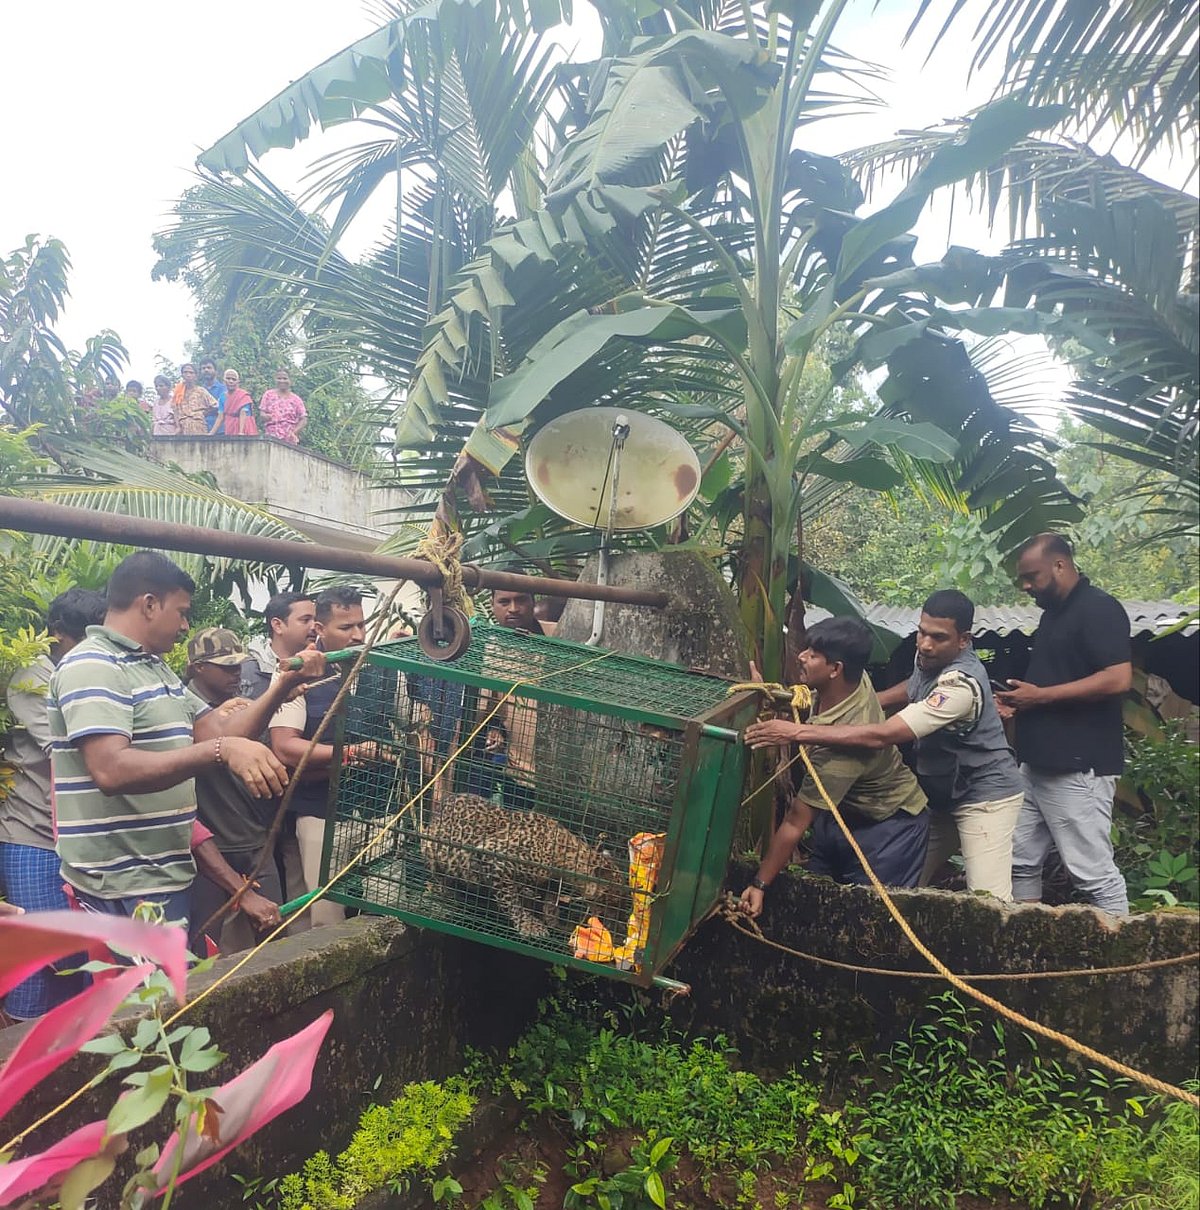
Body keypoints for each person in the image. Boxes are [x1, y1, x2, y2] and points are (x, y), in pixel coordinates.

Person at [48, 550, 324, 927]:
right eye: (180, 611)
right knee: (145, 988)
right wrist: (221, 751)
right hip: (121, 888)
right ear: (148, 605)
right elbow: (111, 769)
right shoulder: (93, 665)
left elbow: (221, 731)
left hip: (163, 878)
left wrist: (281, 688)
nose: (184, 625)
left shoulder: (155, 669)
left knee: (178, 987)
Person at [800, 592, 1024, 899]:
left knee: (988, 899)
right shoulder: (929, 658)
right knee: (900, 883)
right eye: (922, 632)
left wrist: (795, 731)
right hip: (939, 797)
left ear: (963, 640)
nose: (925, 644)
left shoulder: (961, 686)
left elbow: (883, 735)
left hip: (985, 797)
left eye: (938, 637)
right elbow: (914, 688)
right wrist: (869, 701)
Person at [739, 618, 928, 916]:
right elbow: (811, 701)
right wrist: (772, 696)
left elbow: (794, 822)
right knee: (817, 905)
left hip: (889, 829)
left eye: (813, 654)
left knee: (868, 920)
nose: (801, 656)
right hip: (841, 816)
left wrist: (759, 884)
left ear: (835, 669)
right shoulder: (853, 680)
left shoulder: (839, 757)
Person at [996, 534, 1132, 915]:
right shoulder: (1052, 614)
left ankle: (1122, 961)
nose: (1025, 586)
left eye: (1031, 576)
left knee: (1092, 874)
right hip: (1037, 763)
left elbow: (1118, 678)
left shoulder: (1099, 608)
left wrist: (1039, 697)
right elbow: (1054, 683)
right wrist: (1019, 705)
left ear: (1060, 565)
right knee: (1019, 861)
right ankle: (1028, 939)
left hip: (1078, 765)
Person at [1, 588, 106, 1019]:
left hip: (73, 839)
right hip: (33, 835)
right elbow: (72, 753)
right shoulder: (33, 675)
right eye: (80, 640)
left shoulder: (83, 672)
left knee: (78, 958)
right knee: (42, 958)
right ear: (58, 634)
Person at [269, 586, 369, 927]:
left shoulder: (382, 669)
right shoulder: (297, 673)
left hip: (373, 810)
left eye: (361, 625)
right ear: (320, 630)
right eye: (345, 628)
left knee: (378, 908)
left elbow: (408, 721)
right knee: (324, 915)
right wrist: (351, 753)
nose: (357, 635)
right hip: (319, 815)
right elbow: (284, 747)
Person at [184, 628, 286, 952]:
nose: (236, 672)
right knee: (206, 949)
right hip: (208, 849)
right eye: (225, 666)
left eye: (237, 664)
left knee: (274, 938)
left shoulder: (244, 708)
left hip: (255, 840)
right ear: (198, 667)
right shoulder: (181, 710)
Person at [242, 591, 319, 700]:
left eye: (315, 620)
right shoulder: (248, 672)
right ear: (278, 625)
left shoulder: (318, 671)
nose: (314, 626)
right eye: (305, 620)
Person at [258, 369, 307, 445]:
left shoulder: (296, 400)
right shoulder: (268, 395)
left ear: (290, 380)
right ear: (275, 380)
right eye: (279, 378)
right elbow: (262, 413)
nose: (282, 381)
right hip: (271, 437)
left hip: (289, 439)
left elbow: (304, 420)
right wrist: (265, 416)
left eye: (285, 378)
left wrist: (294, 432)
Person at [172, 363, 214, 437]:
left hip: (198, 426)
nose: (188, 375)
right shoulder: (178, 392)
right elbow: (175, 409)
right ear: (182, 375)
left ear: (195, 376)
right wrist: (178, 426)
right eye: (185, 372)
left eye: (191, 373)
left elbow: (215, 406)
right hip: (183, 428)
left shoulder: (201, 391)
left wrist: (202, 413)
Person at [220, 368, 258, 437]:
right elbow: (220, 416)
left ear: (238, 382)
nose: (231, 381)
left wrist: (241, 432)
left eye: (234, 379)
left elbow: (243, 412)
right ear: (223, 381)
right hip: (230, 426)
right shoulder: (222, 396)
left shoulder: (243, 395)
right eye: (228, 378)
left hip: (245, 427)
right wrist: (211, 433)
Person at [198, 358, 226, 433]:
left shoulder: (224, 389)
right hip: (202, 429)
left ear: (216, 371)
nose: (206, 370)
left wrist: (205, 411)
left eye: (209, 367)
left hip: (221, 431)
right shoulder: (198, 391)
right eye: (203, 368)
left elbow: (222, 408)